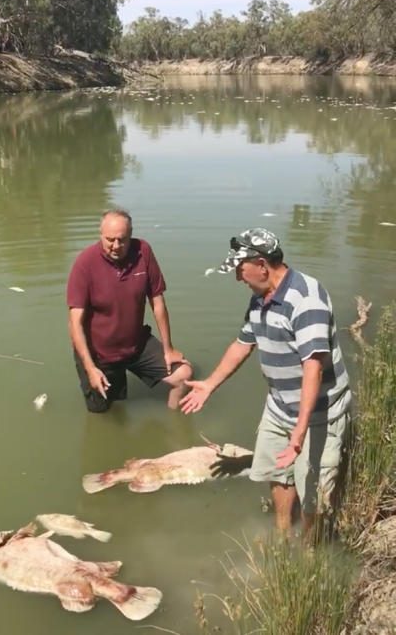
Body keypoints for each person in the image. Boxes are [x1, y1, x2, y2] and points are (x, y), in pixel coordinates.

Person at [180, 228, 351, 536]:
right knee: (279, 474)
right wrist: (209, 384)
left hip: (317, 414)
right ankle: (283, 537)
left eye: (239, 269)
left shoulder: (306, 299)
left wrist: (298, 432)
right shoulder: (260, 299)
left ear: (261, 264)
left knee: (314, 489)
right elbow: (243, 344)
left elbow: (313, 368)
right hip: (280, 406)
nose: (237, 278)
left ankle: (310, 553)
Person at [66, 208, 192, 412]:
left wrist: (168, 349)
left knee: (183, 375)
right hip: (100, 355)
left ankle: (173, 427)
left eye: (122, 240)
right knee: (104, 411)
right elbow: (74, 322)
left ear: (131, 235)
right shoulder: (85, 263)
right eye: (110, 239)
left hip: (136, 346)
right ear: (101, 235)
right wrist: (90, 369)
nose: (116, 246)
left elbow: (157, 301)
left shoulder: (143, 251)